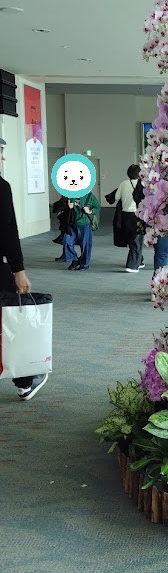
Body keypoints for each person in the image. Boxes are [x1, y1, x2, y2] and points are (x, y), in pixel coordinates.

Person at [0, 137, 48, 400]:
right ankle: (24, 380)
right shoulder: (1, 186)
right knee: (9, 321)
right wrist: (18, 270)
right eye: (1, 152)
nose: (3, 158)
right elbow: (8, 232)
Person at [115, 164, 145, 273]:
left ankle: (139, 260)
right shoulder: (143, 184)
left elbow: (117, 197)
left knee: (132, 239)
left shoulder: (123, 183)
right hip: (138, 215)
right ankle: (132, 265)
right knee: (137, 240)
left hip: (125, 215)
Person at [64, 189, 100, 271]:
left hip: (85, 223)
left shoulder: (90, 196)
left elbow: (97, 208)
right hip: (72, 223)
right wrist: (69, 207)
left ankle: (85, 264)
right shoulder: (71, 195)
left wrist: (90, 211)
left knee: (85, 245)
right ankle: (75, 260)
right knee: (67, 241)